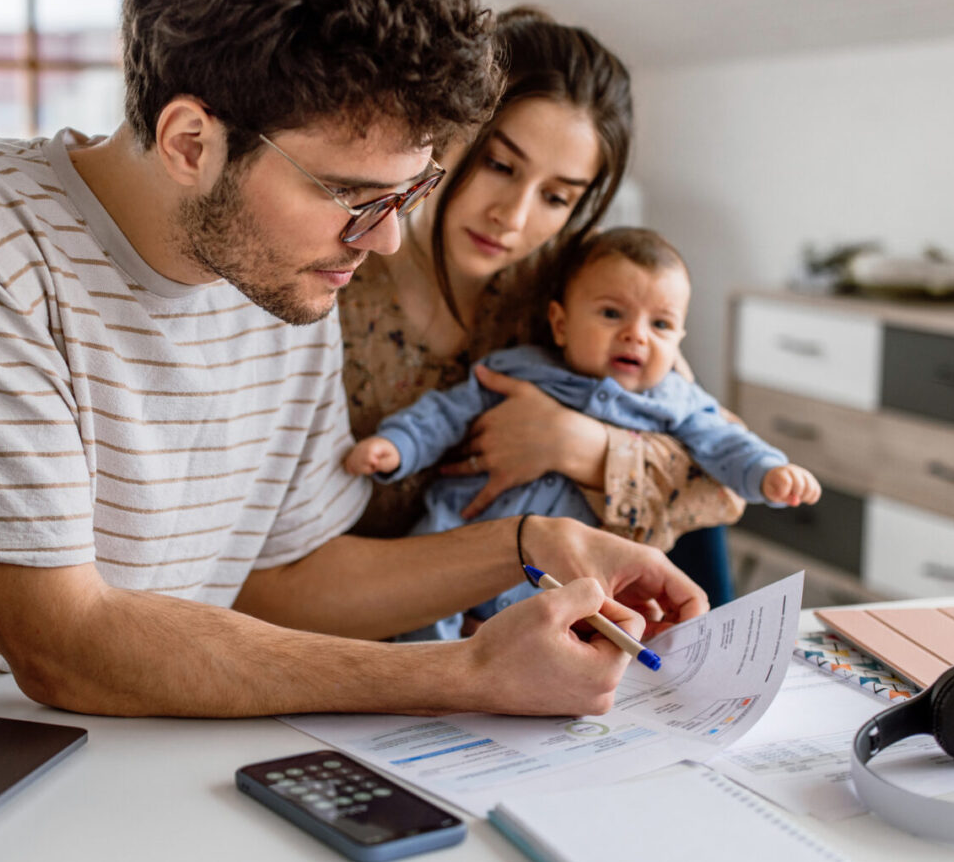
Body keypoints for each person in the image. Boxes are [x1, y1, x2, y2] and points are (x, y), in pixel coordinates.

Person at [0, 0, 706, 719]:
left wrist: (526, 545)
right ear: (191, 143)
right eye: (351, 194)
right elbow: (63, 646)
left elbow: (286, 580)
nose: (386, 236)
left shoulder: (283, 269)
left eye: (405, 193)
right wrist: (468, 671)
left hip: (162, 730)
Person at [335, 9, 746, 588]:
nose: (514, 216)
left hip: (524, 621)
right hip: (354, 615)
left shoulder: (586, 293)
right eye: (499, 165)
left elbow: (724, 486)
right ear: (448, 127)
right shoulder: (337, 271)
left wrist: (579, 446)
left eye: (556, 197)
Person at [346, 227, 821, 638]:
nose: (637, 335)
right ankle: (427, 667)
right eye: (612, 314)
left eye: (660, 324)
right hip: (468, 527)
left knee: (592, 621)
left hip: (570, 570)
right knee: (431, 572)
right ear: (561, 323)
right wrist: (399, 445)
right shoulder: (520, 370)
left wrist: (767, 470)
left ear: (679, 341)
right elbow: (445, 413)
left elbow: (726, 444)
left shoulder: (676, 400)